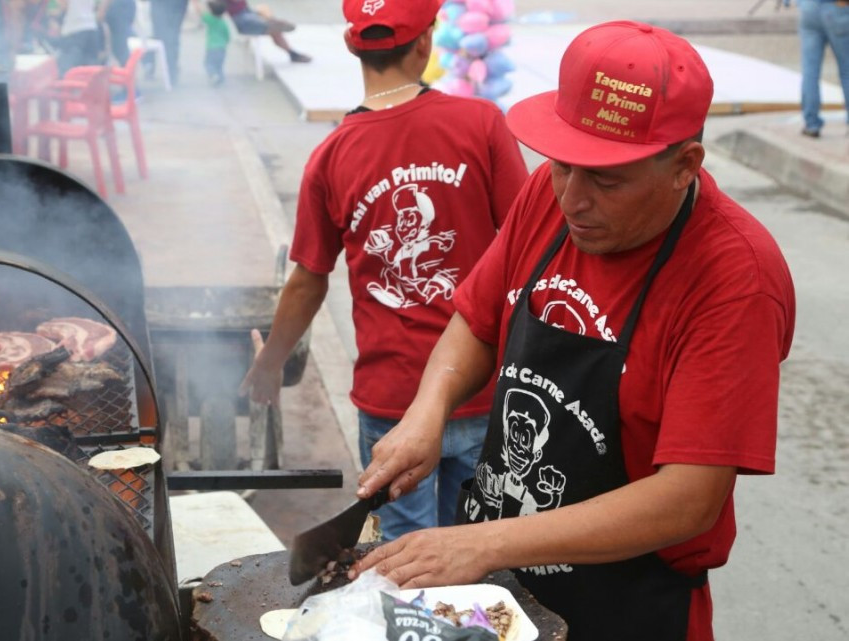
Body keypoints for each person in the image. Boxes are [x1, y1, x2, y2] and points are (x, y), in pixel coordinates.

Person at [350, 21, 796, 641]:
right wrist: (429, 411)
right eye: (563, 164)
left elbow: (689, 497)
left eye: (606, 180)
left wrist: (482, 543)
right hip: (499, 589)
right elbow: (477, 322)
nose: (571, 198)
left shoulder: (734, 278)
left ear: (684, 165)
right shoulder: (551, 192)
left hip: (623, 607)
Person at [239, 0, 528, 541]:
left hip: (393, 398)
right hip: (479, 385)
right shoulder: (482, 123)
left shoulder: (331, 155)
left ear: (353, 47)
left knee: (404, 565)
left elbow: (307, 279)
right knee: (479, 551)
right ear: (426, 43)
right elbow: (528, 240)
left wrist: (271, 364)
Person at [797, 0, 849, 137]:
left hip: (808, 8)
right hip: (838, 8)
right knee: (847, 70)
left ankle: (811, 123)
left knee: (810, 71)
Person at [224, 0, 311, 64]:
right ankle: (270, 24)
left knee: (263, 9)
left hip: (247, 13)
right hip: (241, 21)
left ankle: (271, 22)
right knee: (274, 30)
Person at [56, 0, 107, 74]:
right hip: (91, 27)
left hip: (73, 29)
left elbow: (64, 6)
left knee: (69, 73)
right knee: (90, 74)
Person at [151, 0, 188, 84]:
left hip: (162, 5)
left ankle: (151, 65)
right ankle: (171, 71)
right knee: (172, 36)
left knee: (161, 35)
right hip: (177, 5)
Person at [201, 0, 230, 85]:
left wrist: (195, 3)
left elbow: (201, 13)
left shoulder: (210, 20)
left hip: (211, 48)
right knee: (219, 65)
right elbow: (227, 36)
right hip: (222, 49)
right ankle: (220, 77)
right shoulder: (223, 23)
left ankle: (213, 75)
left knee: (208, 63)